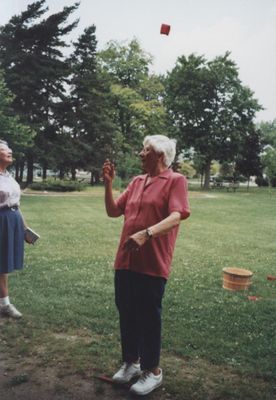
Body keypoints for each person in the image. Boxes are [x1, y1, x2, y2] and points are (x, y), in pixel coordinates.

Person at [102, 134, 190, 396]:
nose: (140, 153)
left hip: (152, 262)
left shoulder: (175, 180)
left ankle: (152, 371)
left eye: (145, 150)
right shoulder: (137, 181)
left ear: (160, 155)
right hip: (125, 259)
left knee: (149, 317)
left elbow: (177, 216)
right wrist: (107, 185)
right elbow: (113, 211)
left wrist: (146, 233)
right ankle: (131, 362)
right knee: (127, 312)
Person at [0, 140, 32, 319]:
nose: (10, 152)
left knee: (3, 263)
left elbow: (15, 205)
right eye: (5, 150)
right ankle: (5, 304)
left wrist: (25, 228)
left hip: (12, 219)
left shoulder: (7, 176)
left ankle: (4, 304)